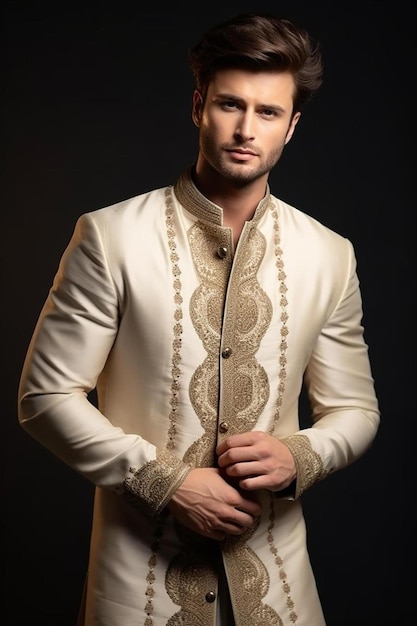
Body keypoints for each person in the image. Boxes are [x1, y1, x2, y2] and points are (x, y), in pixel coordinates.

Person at [17, 11, 380, 626]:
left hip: (281, 589)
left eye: (267, 112)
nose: (245, 129)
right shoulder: (110, 238)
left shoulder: (330, 254)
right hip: (140, 587)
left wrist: (302, 455)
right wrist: (168, 482)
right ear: (197, 107)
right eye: (229, 105)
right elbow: (45, 397)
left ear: (292, 126)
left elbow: (356, 410)